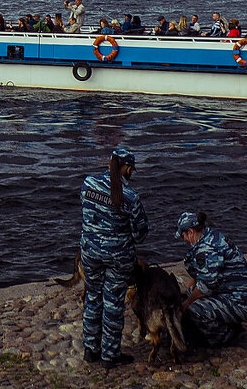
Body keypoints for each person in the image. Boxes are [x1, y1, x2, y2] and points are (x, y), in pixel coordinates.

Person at [81, 148, 149, 367]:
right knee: (112, 303)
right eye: (131, 170)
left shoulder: (88, 183)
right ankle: (110, 356)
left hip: (89, 251)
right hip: (117, 257)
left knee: (92, 296)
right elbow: (140, 234)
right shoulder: (130, 197)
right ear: (127, 168)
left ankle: (91, 349)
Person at [175, 211, 247, 348]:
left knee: (194, 309)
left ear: (190, 232)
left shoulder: (207, 249)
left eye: (183, 235)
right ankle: (226, 321)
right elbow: (199, 276)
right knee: (189, 296)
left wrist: (187, 303)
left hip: (242, 301)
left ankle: (225, 336)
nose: (184, 239)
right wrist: (188, 293)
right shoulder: (211, 236)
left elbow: (206, 286)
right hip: (238, 293)